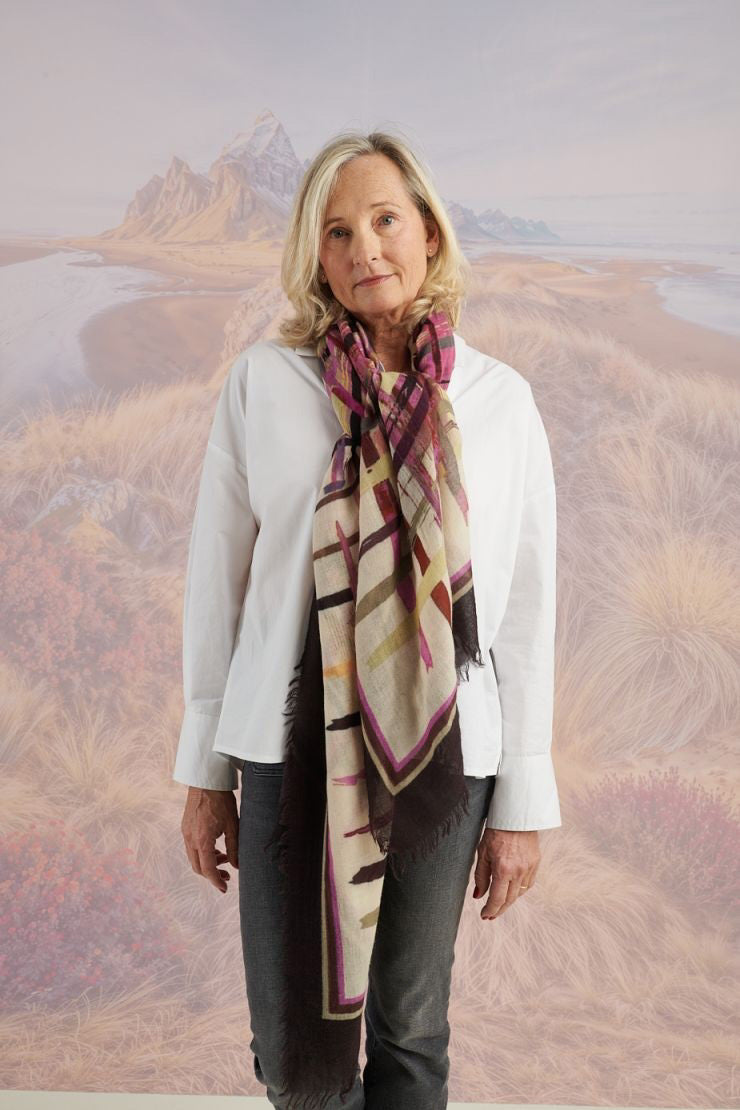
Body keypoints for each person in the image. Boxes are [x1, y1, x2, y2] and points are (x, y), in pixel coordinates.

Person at [175, 128, 562, 1110]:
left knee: (411, 1027)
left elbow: (523, 611)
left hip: (446, 754)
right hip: (285, 749)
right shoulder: (265, 384)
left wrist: (521, 801)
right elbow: (218, 587)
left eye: (384, 220)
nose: (365, 249)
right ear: (315, 256)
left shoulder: (499, 402)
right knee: (294, 1057)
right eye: (337, 231)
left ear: (427, 231)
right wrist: (204, 773)